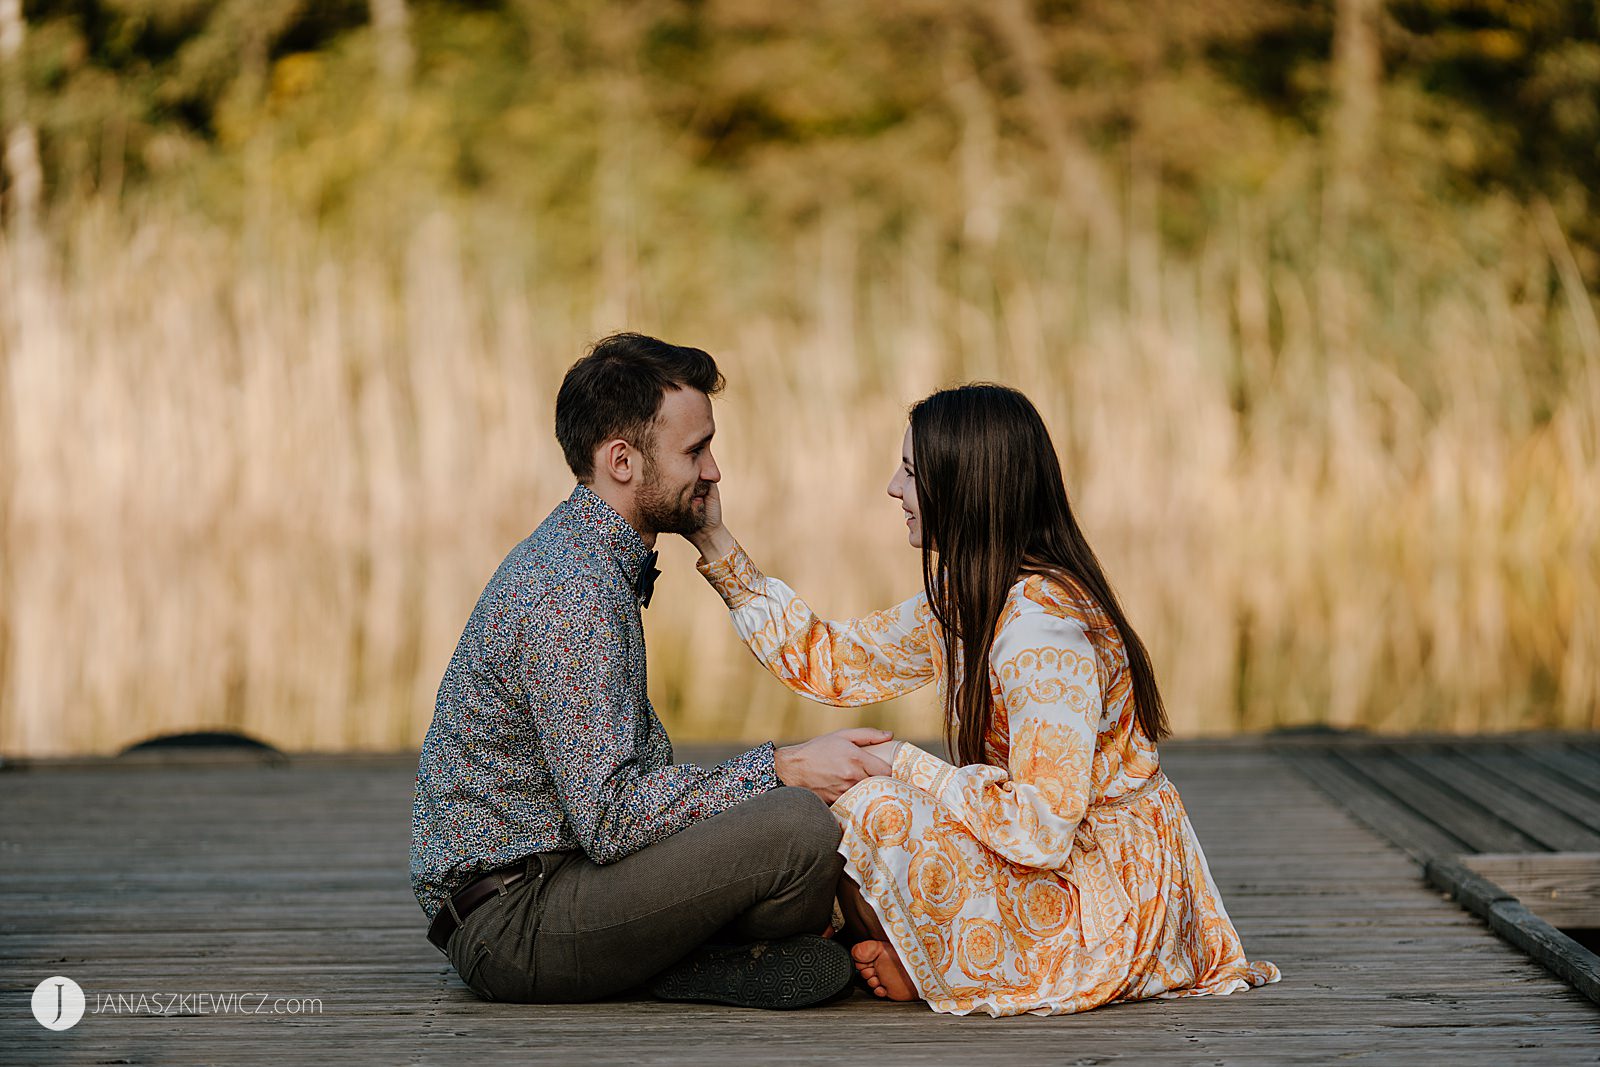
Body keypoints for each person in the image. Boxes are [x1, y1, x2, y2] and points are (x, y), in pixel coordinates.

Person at [688, 382, 1281, 1017]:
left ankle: (922, 963)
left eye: (912, 473)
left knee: (877, 805)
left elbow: (1044, 829)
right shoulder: (975, 595)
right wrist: (712, 538)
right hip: (1046, 857)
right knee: (853, 799)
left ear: (964, 489)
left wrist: (905, 765)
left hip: (1107, 903)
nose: (893, 488)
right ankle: (899, 954)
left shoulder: (1041, 630)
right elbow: (833, 663)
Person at [409, 333, 893, 1008]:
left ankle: (667, 958)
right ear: (622, 460)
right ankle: (678, 965)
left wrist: (706, 533)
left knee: (799, 841)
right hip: (515, 922)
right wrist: (779, 767)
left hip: (565, 875)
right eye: (695, 450)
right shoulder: (571, 591)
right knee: (799, 829)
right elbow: (610, 817)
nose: (715, 469)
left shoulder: (592, 556)